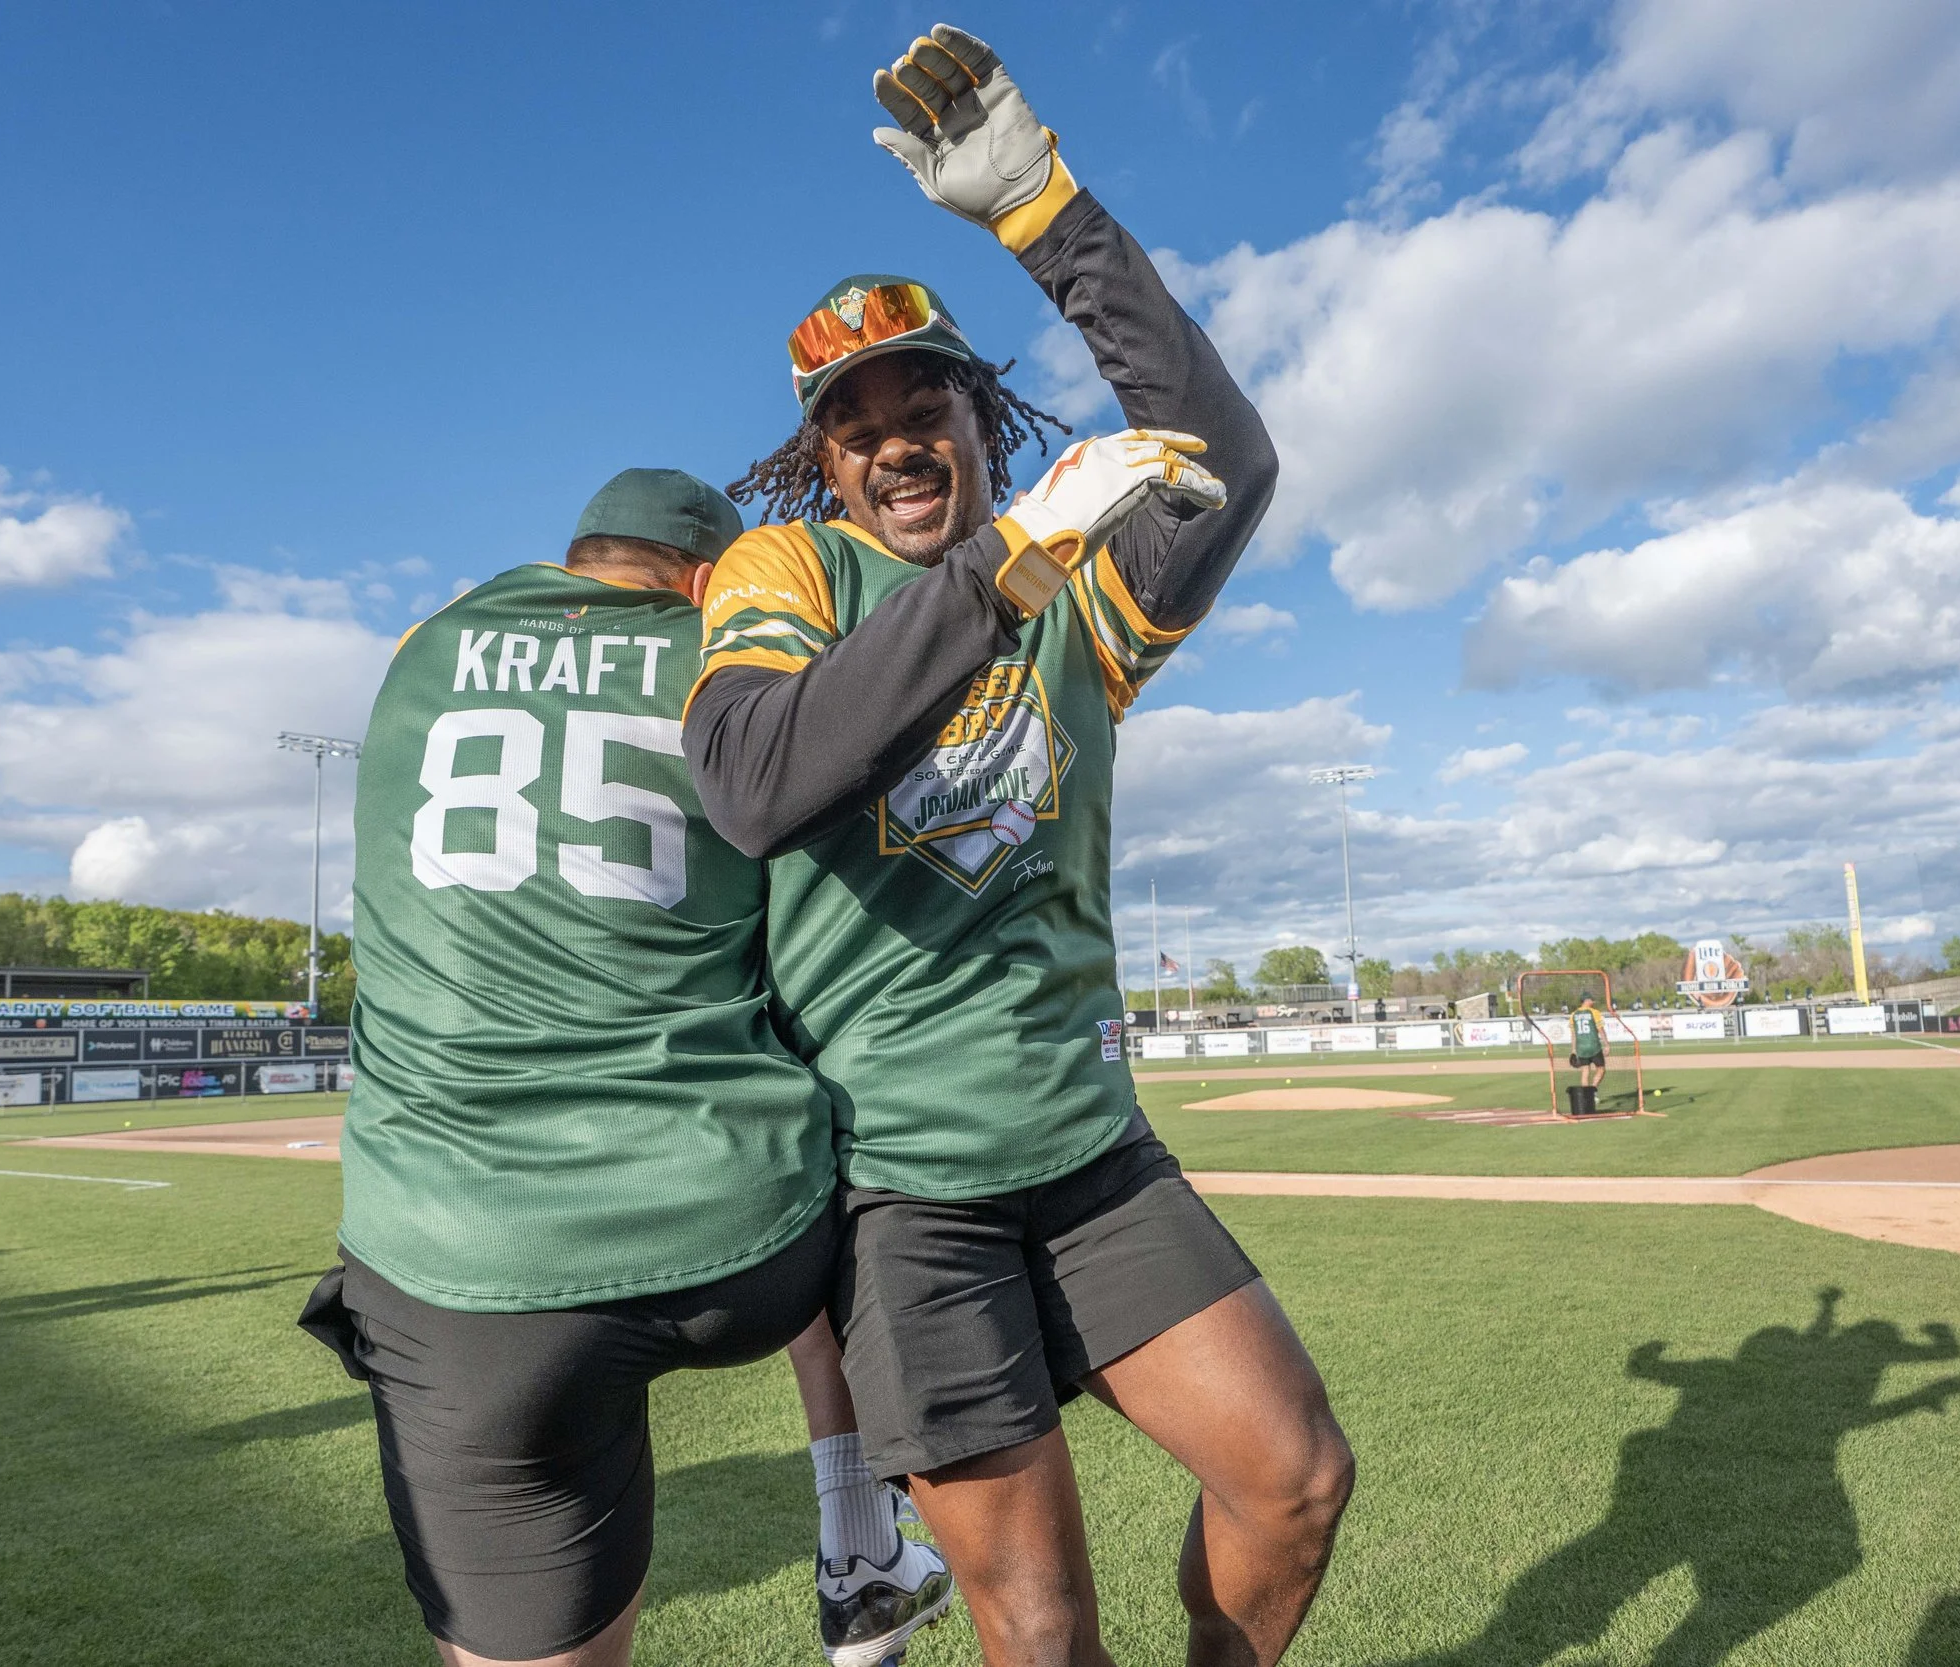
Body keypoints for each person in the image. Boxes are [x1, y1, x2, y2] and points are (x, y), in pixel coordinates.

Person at [684, 27, 1352, 1666]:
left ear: (981, 420)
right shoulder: (786, 571)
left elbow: (1226, 458)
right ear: (819, 462)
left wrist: (1044, 212)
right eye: (859, 427)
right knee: (1041, 1630)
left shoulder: (1076, 608)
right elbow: (760, 780)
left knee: (1296, 1479)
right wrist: (1000, 563)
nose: (901, 441)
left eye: (932, 408)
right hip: (902, 1183)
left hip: (1085, 1144)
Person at [304, 470, 950, 1667]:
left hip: (464, 1262)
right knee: (856, 1162)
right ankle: (857, 1532)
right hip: (749, 1239)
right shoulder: (733, 668)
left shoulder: (421, 651)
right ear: (713, 584)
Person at [1568, 996, 1609, 1116]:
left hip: (1581, 1047)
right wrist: (1606, 1044)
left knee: (1585, 1071)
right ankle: (1593, 1089)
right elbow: (1600, 1029)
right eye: (1591, 999)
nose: (1593, 1001)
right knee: (1601, 1069)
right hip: (1594, 1046)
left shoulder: (1573, 1014)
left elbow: (1573, 1034)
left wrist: (1574, 1049)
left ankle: (1586, 1097)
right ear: (1586, 1001)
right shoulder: (1594, 1012)